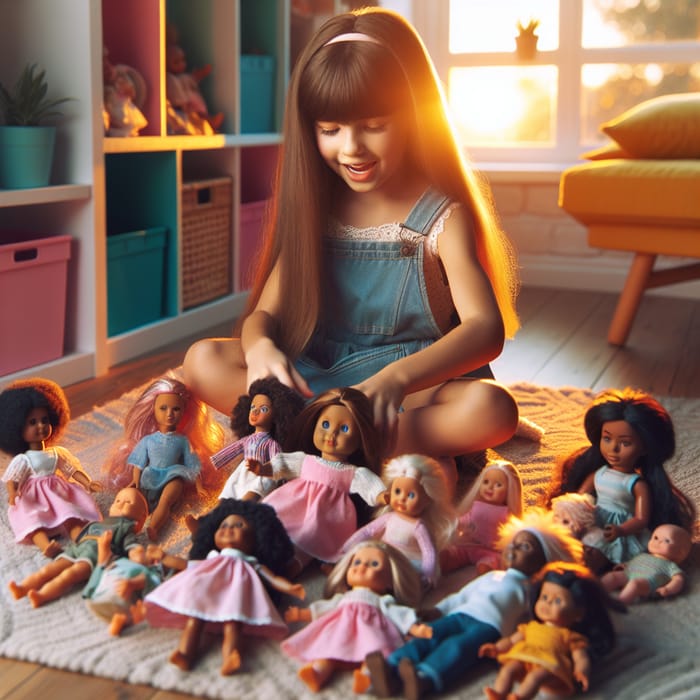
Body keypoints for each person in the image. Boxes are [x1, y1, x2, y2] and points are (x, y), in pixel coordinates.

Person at [183, 8, 520, 471]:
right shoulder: (317, 213)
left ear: (416, 115)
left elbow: (485, 329)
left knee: (493, 410)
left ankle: (312, 440)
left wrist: (397, 379)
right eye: (329, 130)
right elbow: (264, 313)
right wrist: (259, 348)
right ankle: (350, 442)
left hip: (409, 390)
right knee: (202, 359)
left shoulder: (441, 217)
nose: (351, 148)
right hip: (317, 376)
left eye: (374, 125)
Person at [364, 509, 584, 699]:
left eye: (525, 547)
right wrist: (439, 609)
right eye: (513, 544)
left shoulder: (532, 590)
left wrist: (513, 645)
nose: (513, 549)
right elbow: (462, 595)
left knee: (458, 647)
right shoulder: (492, 576)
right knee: (430, 634)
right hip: (460, 614)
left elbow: (530, 620)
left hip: (489, 628)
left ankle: (424, 677)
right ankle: (392, 665)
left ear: (543, 562)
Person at [144, 499, 305, 675]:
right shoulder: (213, 556)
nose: (228, 528)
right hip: (207, 593)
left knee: (233, 625)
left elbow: (272, 578)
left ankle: (231, 657)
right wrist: (164, 557)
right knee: (195, 619)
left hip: (234, 596)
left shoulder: (251, 561)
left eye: (239, 525)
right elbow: (187, 564)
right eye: (224, 524)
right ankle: (185, 653)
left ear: (256, 538)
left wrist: (289, 587)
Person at [549, 388, 695, 567]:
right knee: (567, 538)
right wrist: (573, 509)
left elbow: (642, 519)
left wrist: (621, 530)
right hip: (594, 518)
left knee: (595, 553)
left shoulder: (637, 484)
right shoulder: (599, 472)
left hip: (618, 530)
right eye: (607, 439)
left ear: (644, 448)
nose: (613, 449)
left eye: (625, 443)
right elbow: (581, 496)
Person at [258, 387, 386, 575]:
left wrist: (383, 495)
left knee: (309, 538)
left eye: (344, 429)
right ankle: (262, 547)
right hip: (292, 503)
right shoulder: (306, 460)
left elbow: (370, 485)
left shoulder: (352, 473)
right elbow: (283, 464)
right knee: (272, 518)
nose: (331, 435)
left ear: (360, 439)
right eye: (325, 425)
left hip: (326, 518)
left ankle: (293, 565)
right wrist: (263, 469)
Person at [282, 540, 425, 693]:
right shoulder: (343, 597)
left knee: (374, 654)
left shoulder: (382, 600)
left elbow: (397, 613)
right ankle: (317, 673)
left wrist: (414, 627)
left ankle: (368, 676)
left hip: (371, 632)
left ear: (391, 581)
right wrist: (302, 614)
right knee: (328, 650)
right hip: (342, 631)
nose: (362, 567)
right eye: (357, 562)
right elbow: (327, 607)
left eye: (374, 564)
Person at [479, 561, 623, 700]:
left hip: (550, 667)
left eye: (558, 601)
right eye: (544, 597)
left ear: (579, 613)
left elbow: (581, 657)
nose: (547, 603)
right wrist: (497, 647)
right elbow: (512, 640)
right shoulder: (531, 627)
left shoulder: (570, 636)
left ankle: (520, 697)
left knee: (535, 677)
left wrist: (581, 671)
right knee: (508, 670)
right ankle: (498, 693)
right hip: (525, 658)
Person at [104, 375, 224, 539]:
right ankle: (122, 527)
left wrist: (199, 486)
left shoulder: (182, 441)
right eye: (163, 408)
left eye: (176, 409)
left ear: (184, 412)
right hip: (149, 474)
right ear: (152, 410)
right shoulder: (147, 440)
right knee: (130, 498)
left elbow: (192, 464)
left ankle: (153, 527)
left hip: (174, 475)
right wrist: (135, 482)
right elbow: (139, 464)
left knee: (166, 500)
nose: (170, 414)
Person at [0, 378, 102, 557]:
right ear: (16, 428)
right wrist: (13, 494)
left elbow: (72, 470)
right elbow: (13, 479)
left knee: (71, 512)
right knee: (33, 520)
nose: (40, 426)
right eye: (32, 422)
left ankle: (80, 537)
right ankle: (46, 546)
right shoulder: (23, 459)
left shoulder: (57, 453)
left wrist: (88, 483)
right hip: (33, 496)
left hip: (58, 492)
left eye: (44, 420)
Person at [8, 487, 148, 608]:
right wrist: (59, 552)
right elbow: (78, 539)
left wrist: (136, 553)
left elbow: (131, 545)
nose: (121, 504)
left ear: (141, 519)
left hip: (95, 554)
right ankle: (23, 588)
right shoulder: (98, 523)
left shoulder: (125, 528)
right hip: (77, 549)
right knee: (47, 570)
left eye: (128, 502)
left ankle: (42, 595)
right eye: (117, 501)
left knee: (68, 575)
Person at [340, 454, 456, 588]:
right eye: (397, 491)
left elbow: (429, 551)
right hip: (385, 557)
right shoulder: (389, 518)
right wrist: (348, 546)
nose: (402, 499)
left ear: (427, 500)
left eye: (411, 495)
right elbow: (367, 532)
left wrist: (429, 573)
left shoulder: (418, 527)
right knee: (365, 563)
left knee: (396, 581)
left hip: (407, 562)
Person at [212, 377, 305, 501]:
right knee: (230, 488)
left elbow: (277, 463)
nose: (255, 412)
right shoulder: (247, 440)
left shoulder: (272, 444)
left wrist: (281, 479)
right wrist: (216, 461)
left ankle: (241, 508)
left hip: (262, 472)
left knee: (257, 488)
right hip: (243, 471)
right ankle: (210, 518)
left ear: (276, 416)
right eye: (252, 407)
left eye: (263, 409)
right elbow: (233, 449)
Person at [440, 460, 523, 575]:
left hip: (491, 551)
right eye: (486, 482)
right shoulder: (476, 506)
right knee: (450, 555)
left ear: (509, 490)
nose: (490, 488)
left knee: (487, 566)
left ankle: (482, 580)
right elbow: (465, 520)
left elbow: (512, 533)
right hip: (469, 546)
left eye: (498, 485)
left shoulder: (506, 513)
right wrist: (454, 525)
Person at [601, 523, 692, 604]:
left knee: (634, 584)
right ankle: (595, 590)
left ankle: (620, 603)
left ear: (680, 553)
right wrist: (625, 565)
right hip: (629, 574)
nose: (658, 541)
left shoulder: (670, 565)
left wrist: (668, 589)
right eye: (655, 537)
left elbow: (678, 580)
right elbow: (634, 563)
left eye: (667, 541)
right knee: (612, 576)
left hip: (648, 583)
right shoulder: (644, 555)